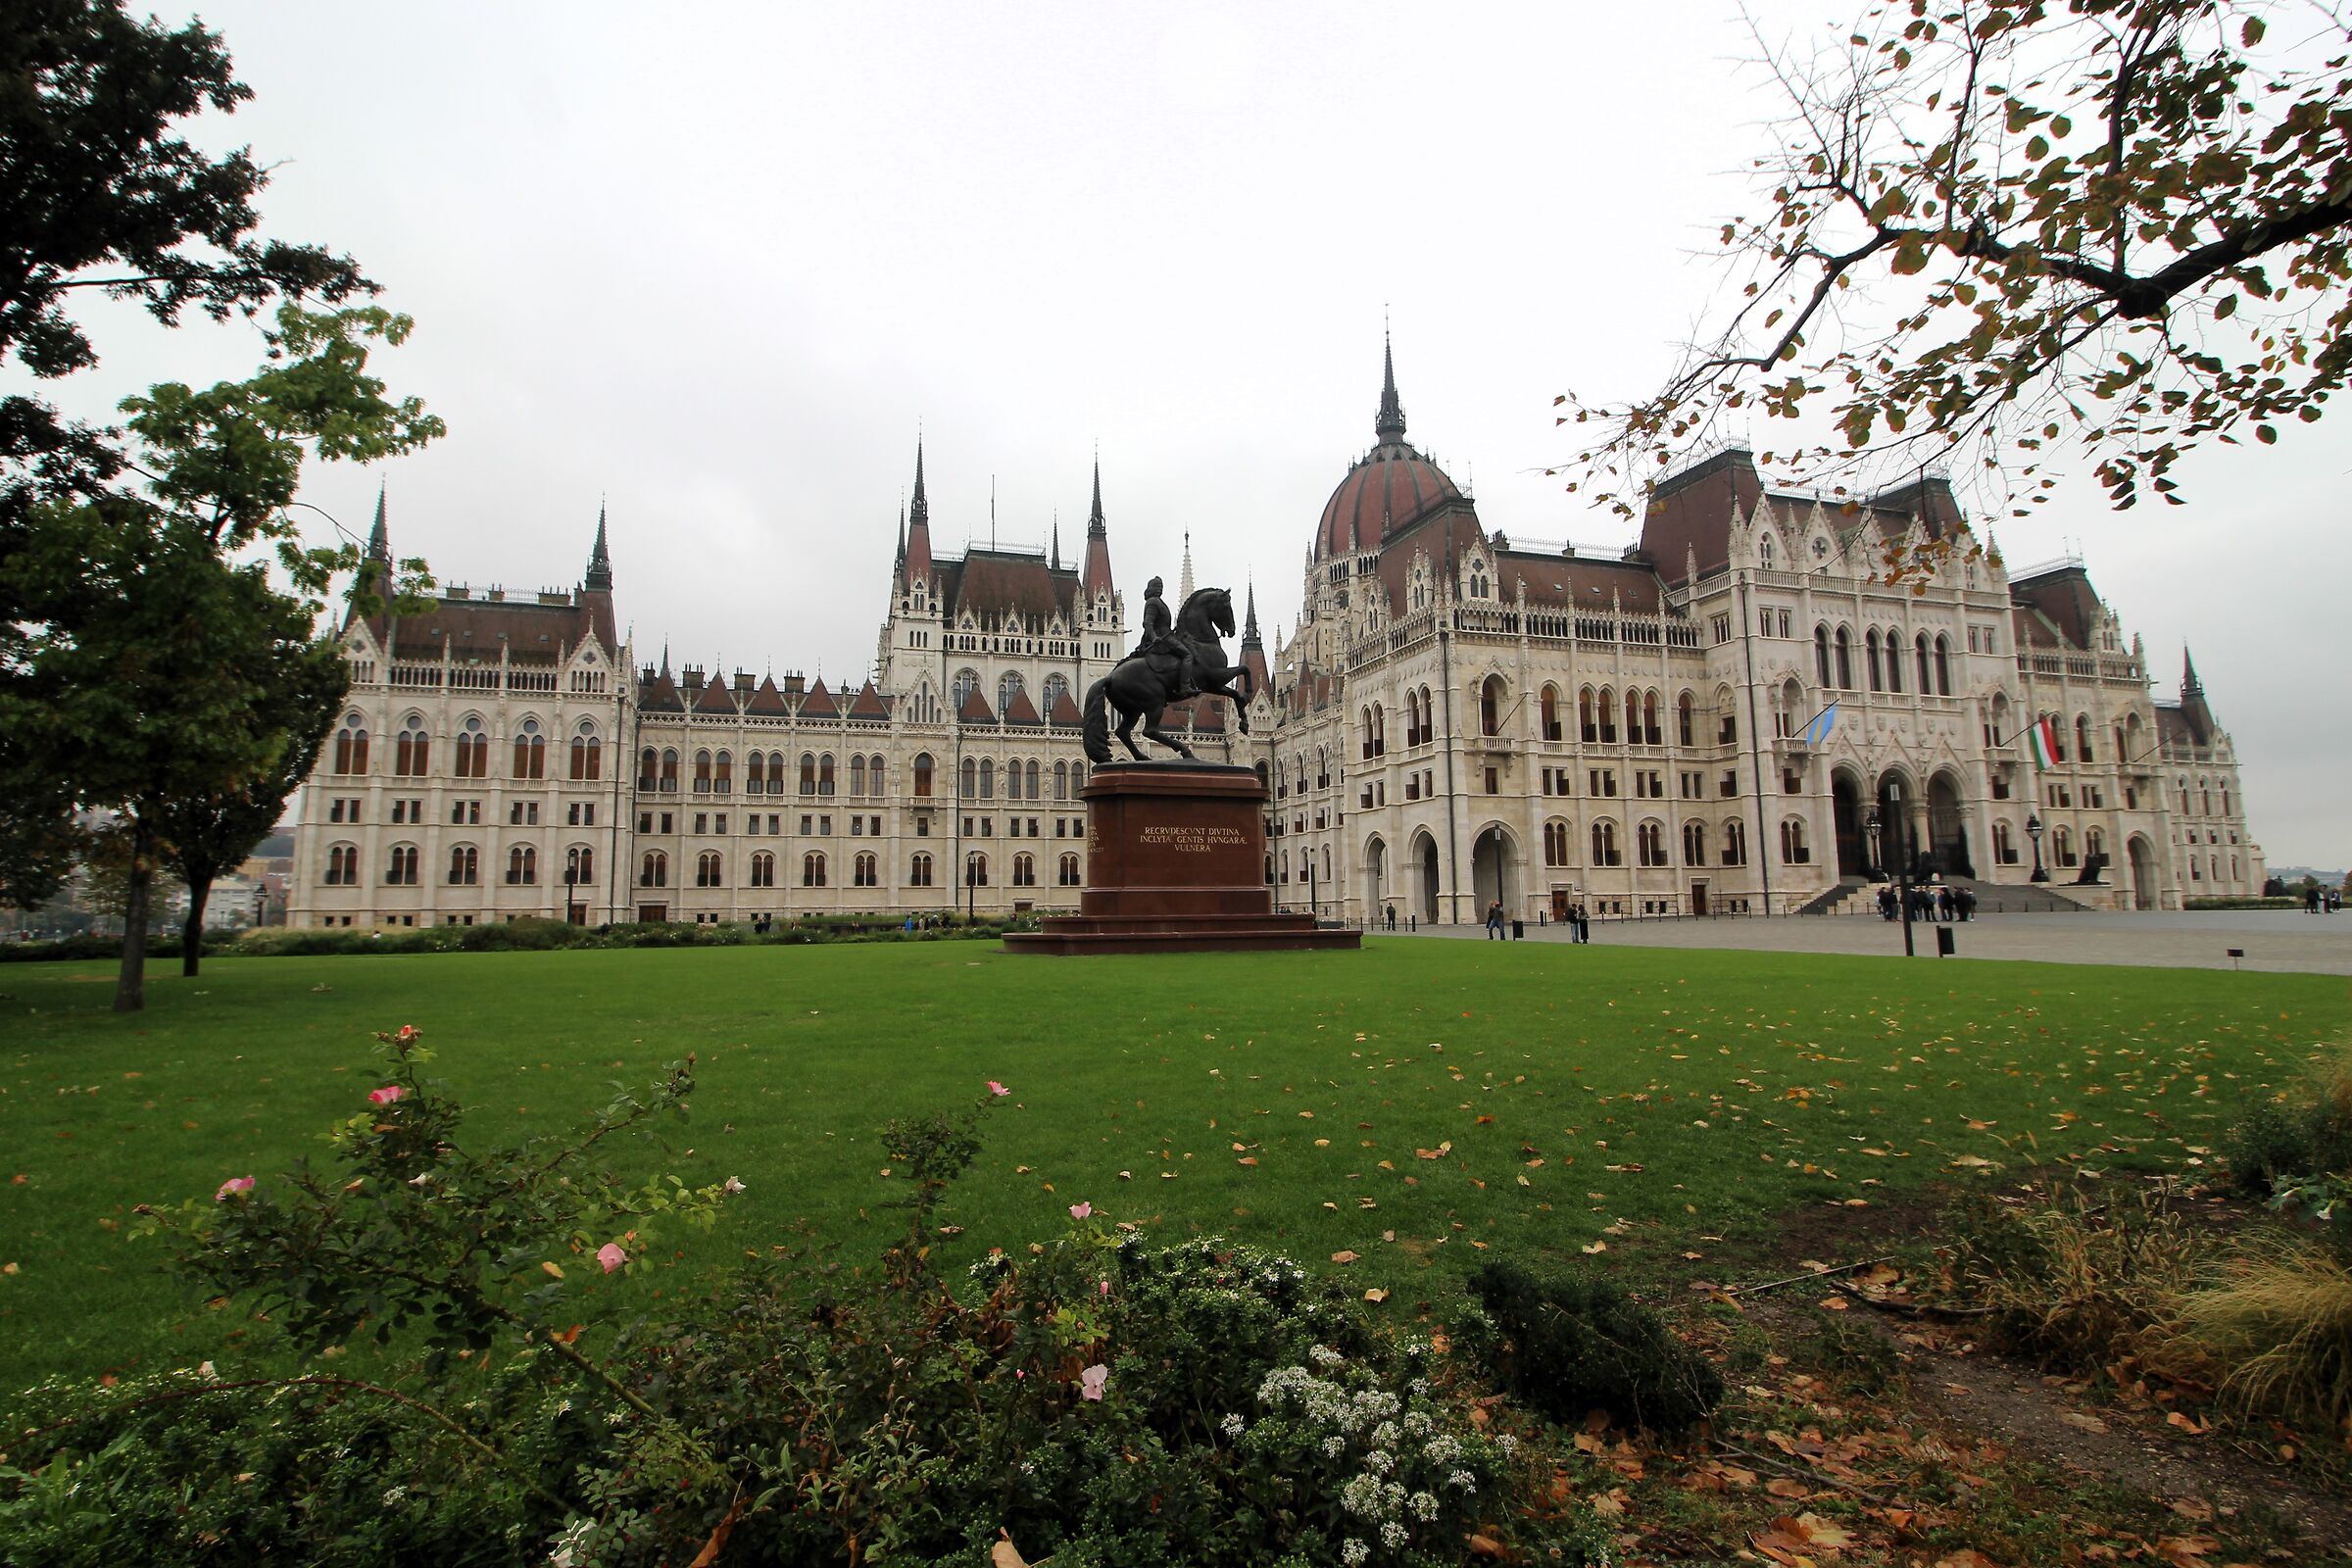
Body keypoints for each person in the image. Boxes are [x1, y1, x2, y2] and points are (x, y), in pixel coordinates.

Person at [1133, 575, 1199, 700]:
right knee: (1187, 655)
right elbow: (1148, 623)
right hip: (1163, 638)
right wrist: (1154, 638)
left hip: (1167, 635)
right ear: (1151, 588)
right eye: (1157, 587)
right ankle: (1185, 686)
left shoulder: (1158, 602)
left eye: (1161, 587)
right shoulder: (1153, 602)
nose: (1159, 589)